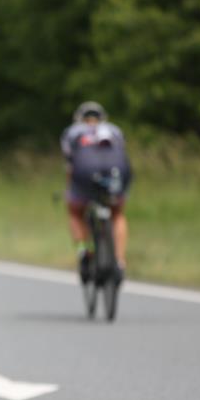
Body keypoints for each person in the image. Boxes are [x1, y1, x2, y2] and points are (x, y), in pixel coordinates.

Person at [60, 101, 132, 282]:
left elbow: (71, 166)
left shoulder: (73, 132)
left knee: (75, 212)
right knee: (117, 214)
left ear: (79, 118)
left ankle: (84, 250)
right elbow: (122, 157)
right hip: (115, 175)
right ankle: (120, 261)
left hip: (85, 175)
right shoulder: (114, 130)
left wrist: (70, 191)